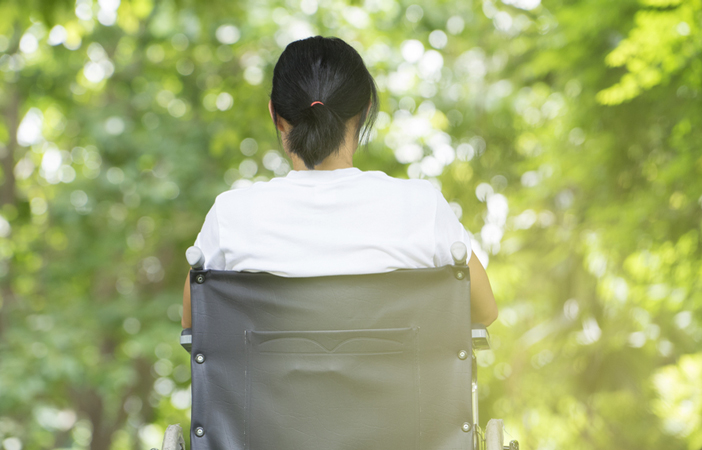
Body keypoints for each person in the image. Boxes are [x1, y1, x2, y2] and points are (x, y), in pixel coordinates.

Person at [181, 36, 497, 328]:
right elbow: (484, 313)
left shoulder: (232, 214)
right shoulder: (420, 205)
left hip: (271, 392)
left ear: (276, 115)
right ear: (365, 112)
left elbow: (195, 326)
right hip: (393, 391)